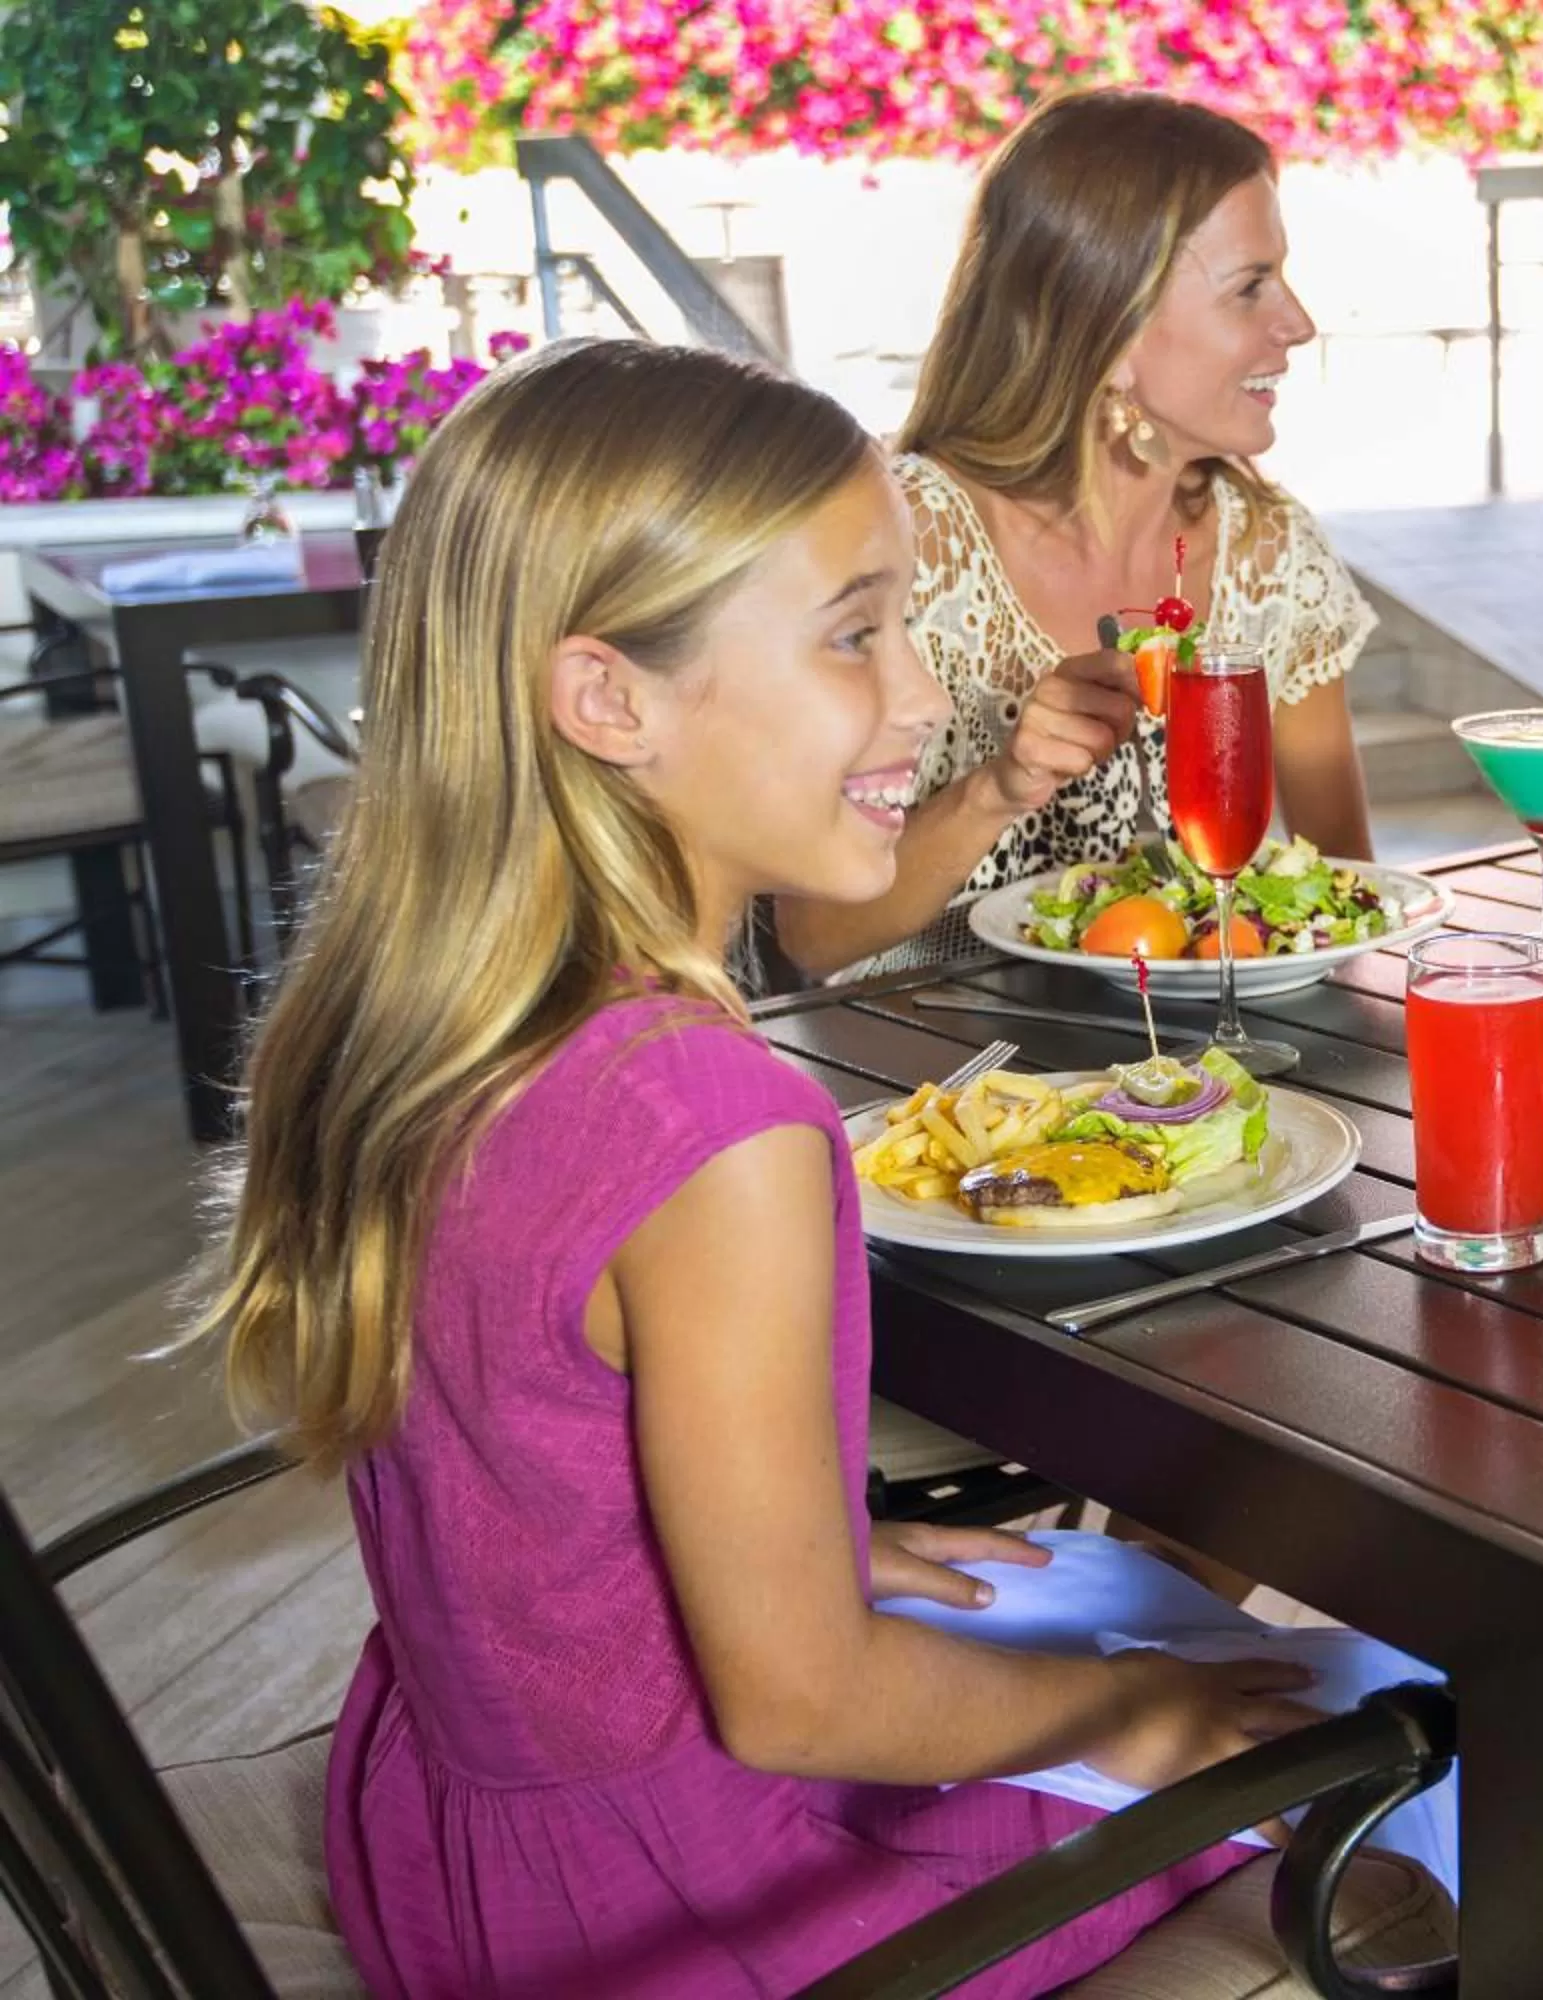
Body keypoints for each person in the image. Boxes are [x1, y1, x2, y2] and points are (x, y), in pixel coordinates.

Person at [184, 340, 1334, 1996]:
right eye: (856, 634)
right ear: (608, 699)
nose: (929, 697)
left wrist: (806, 1547)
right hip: (701, 1919)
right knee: (1376, 1766)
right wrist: (1126, 1716)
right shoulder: (716, 1131)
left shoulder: (425, 1024)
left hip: (463, 1848)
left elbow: (519, 1469)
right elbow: (803, 1701)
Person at [774, 91, 1378, 980]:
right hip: (920, 1085)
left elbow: (1346, 893)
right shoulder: (899, 543)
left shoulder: (1270, 551)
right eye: (1250, 286)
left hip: (1184, 1082)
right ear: (1113, 326)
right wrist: (998, 786)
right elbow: (812, 936)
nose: (1297, 322)